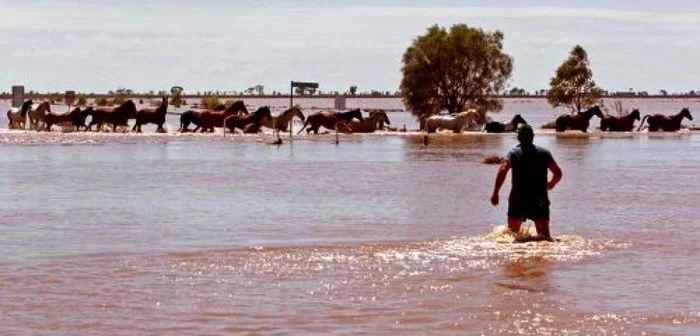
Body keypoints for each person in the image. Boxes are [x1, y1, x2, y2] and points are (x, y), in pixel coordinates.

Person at [490, 124, 563, 242]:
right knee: (544, 238)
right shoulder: (544, 153)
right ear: (533, 137)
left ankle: (516, 259)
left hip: (518, 197)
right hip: (539, 197)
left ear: (519, 137)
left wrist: (495, 193)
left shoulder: (513, 153)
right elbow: (558, 173)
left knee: (512, 237)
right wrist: (551, 184)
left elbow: (503, 170)